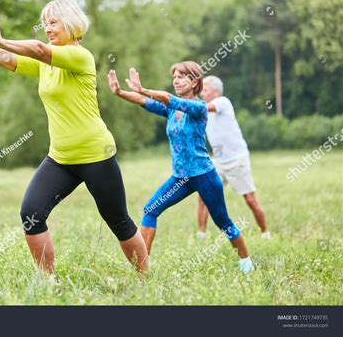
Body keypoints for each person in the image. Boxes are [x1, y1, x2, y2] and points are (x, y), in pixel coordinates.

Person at [0, 0, 148, 275]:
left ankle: (145, 277)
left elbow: (37, 49)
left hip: (95, 153)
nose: (48, 28)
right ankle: (47, 281)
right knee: (31, 214)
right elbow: (5, 59)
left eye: (54, 22)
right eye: (46, 23)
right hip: (60, 157)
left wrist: (1, 40)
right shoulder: (44, 64)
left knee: (117, 220)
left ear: (71, 24)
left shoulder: (80, 56)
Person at [107, 63, 254, 273]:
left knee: (223, 222)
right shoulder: (171, 110)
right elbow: (145, 101)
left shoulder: (199, 108)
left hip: (203, 175)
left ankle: (245, 261)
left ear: (194, 82)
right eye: (174, 76)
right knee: (150, 210)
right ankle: (143, 269)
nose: (176, 80)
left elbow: (167, 98)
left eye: (182, 77)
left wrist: (143, 89)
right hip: (181, 178)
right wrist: (120, 92)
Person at [198, 76, 270, 239]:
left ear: (215, 91)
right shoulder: (204, 109)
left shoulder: (222, 102)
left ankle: (265, 232)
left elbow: (203, 108)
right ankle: (200, 235)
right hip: (218, 162)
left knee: (250, 200)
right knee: (203, 197)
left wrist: (186, 103)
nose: (202, 93)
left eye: (205, 90)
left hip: (237, 160)